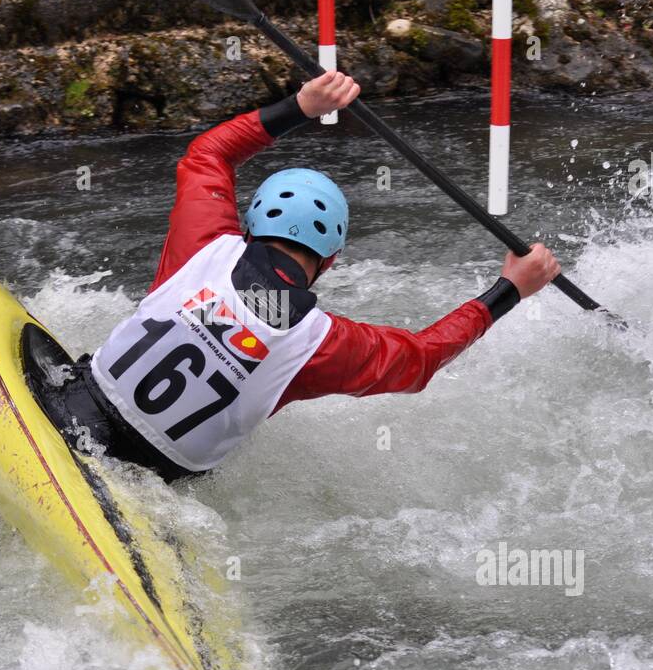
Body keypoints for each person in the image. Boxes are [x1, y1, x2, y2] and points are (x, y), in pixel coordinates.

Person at [51, 70, 561, 480]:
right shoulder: (322, 344)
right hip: (153, 481)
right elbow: (421, 359)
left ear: (249, 225)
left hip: (77, 410)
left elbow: (208, 153)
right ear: (330, 261)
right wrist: (510, 289)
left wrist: (301, 107)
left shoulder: (204, 245)